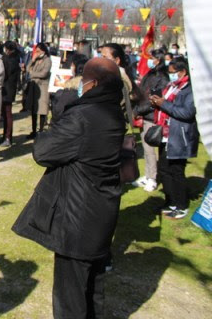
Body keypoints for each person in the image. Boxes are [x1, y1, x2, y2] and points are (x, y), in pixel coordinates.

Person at [12, 58, 126, 318]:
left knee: (70, 294)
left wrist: (60, 116)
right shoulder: (113, 111)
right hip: (102, 209)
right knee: (93, 287)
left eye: (82, 81)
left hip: (77, 216)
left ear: (92, 84)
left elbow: (43, 152)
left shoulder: (82, 117)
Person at [150, 57, 198, 219]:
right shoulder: (171, 86)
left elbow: (187, 112)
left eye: (173, 72)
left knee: (176, 171)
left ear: (182, 72)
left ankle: (181, 205)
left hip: (179, 136)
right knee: (164, 170)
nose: (170, 75)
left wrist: (163, 104)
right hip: (165, 135)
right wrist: (155, 102)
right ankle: (170, 201)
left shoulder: (189, 90)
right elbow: (165, 104)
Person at [133, 49, 170, 192]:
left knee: (150, 149)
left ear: (158, 60)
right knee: (146, 148)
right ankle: (148, 175)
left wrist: (139, 111)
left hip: (151, 115)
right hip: (144, 114)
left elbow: (154, 99)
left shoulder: (162, 77)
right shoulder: (150, 73)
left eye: (151, 58)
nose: (148, 60)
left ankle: (152, 178)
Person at [24, 43, 52, 139]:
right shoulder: (36, 60)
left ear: (43, 51)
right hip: (34, 87)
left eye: (39, 51)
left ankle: (41, 130)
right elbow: (27, 69)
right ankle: (34, 130)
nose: (37, 53)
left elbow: (44, 73)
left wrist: (32, 74)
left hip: (43, 87)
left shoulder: (47, 60)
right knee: (34, 109)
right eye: (36, 51)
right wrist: (32, 60)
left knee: (42, 110)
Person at [0, 41, 20, 147]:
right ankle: (5, 136)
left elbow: (6, 73)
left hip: (8, 90)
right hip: (6, 89)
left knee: (8, 114)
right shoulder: (10, 58)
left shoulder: (12, 59)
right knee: (4, 114)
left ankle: (8, 137)